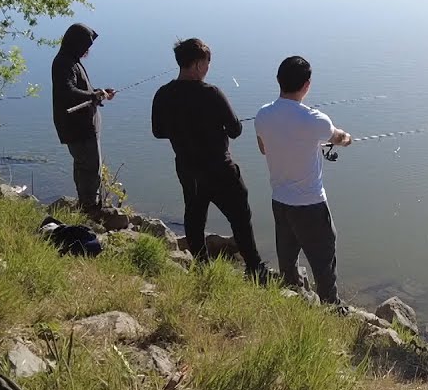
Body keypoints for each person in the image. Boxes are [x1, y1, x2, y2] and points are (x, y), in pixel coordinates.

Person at [151, 38, 267, 279]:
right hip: (219, 169)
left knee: (194, 215)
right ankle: (255, 268)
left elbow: (158, 131)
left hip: (187, 168)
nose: (207, 68)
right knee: (240, 217)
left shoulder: (163, 94)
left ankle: (201, 265)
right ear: (196, 64)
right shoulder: (211, 93)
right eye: (206, 63)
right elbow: (235, 129)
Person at [253, 56, 352, 305]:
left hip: (280, 201)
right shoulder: (315, 120)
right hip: (311, 204)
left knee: (287, 258)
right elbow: (338, 137)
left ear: (278, 80)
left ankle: (292, 298)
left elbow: (264, 149)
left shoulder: (262, 115)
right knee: (324, 258)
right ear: (307, 85)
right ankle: (332, 307)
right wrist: (347, 138)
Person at [51, 23, 115, 219]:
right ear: (76, 44)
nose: (87, 50)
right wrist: (92, 95)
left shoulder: (71, 60)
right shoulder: (64, 63)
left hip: (82, 126)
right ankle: (90, 208)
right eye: (85, 46)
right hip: (78, 128)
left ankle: (85, 204)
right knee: (89, 167)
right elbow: (68, 91)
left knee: (83, 165)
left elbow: (81, 90)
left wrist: (99, 93)